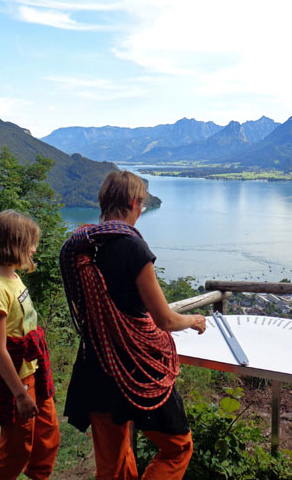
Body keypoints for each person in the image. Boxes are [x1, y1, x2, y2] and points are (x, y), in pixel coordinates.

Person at [60, 171, 206, 480]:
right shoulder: (132, 248)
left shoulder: (83, 247)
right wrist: (193, 320)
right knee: (178, 448)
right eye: (141, 203)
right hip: (138, 368)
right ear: (133, 203)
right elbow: (164, 319)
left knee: (112, 467)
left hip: (96, 365)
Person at [0, 209, 60, 480]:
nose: (35, 250)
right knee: (16, 447)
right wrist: (20, 395)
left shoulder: (13, 278)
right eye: (31, 243)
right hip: (18, 380)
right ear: (16, 244)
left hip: (33, 371)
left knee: (47, 437)